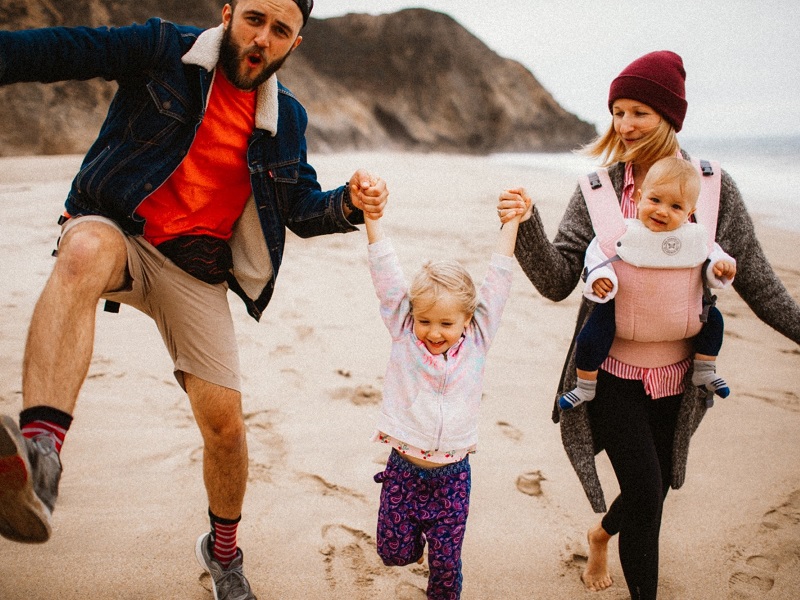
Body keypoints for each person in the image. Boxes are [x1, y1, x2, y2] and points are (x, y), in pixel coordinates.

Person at [0, 1, 389, 598]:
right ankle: (41, 454)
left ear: (295, 44)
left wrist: (349, 205)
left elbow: (301, 209)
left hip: (195, 271)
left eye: (280, 30)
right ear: (229, 13)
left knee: (226, 430)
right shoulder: (165, 51)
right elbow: (69, 48)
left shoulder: (286, 117)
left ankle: (224, 554)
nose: (262, 37)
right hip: (119, 230)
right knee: (80, 253)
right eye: (254, 18)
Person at [497, 50, 800, 599]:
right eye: (617, 110)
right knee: (645, 495)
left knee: (652, 492)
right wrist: (526, 224)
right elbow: (557, 279)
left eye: (639, 111)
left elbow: (757, 280)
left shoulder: (711, 189)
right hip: (609, 375)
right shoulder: (597, 191)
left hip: (680, 380)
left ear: (670, 117)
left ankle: (600, 533)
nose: (624, 125)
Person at [364, 189, 528, 599]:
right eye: (425, 320)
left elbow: (499, 279)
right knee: (394, 553)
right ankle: (412, 545)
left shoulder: (477, 340)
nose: (433, 332)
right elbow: (385, 275)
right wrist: (372, 218)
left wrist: (512, 222)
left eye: (445, 323)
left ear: (467, 320)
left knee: (447, 569)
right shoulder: (404, 332)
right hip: (403, 472)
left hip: (453, 477)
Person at [559, 156, 736, 411]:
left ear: (690, 212)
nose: (662, 211)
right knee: (591, 335)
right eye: (654, 200)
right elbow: (596, 258)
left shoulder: (695, 238)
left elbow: (712, 257)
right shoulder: (621, 234)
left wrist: (720, 268)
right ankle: (585, 385)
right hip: (623, 317)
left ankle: (705, 369)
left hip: (682, 319)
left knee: (715, 320)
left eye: (676, 206)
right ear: (638, 197)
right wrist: (601, 279)